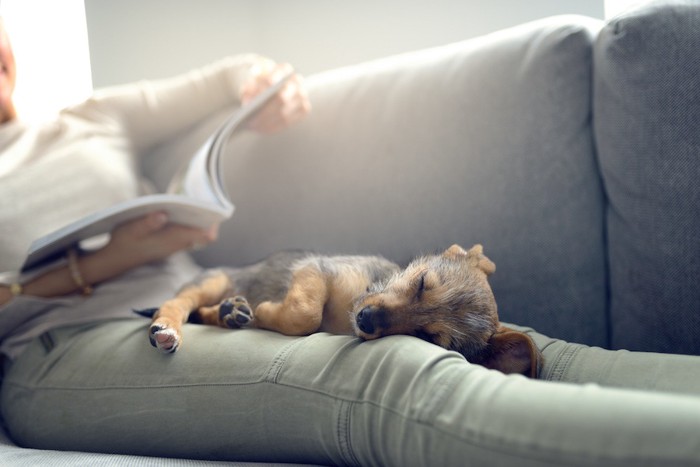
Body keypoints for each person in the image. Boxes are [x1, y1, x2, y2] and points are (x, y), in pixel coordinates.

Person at [1, 16, 700, 467]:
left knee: (540, 351)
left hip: (216, 299)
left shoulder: (89, 118)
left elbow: (227, 76)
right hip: (59, 349)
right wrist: (101, 262)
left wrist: (262, 88)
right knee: (383, 377)